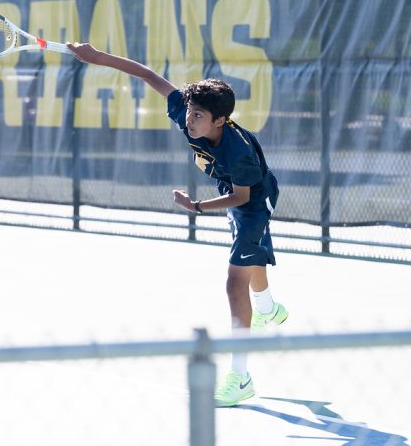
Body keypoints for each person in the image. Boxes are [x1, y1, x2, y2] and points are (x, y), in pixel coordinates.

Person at [66, 42, 287, 407]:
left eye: (198, 116)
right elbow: (149, 75)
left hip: (251, 200)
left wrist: (196, 206)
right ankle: (268, 308)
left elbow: (242, 198)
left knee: (235, 280)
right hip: (231, 189)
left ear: (220, 120)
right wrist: (97, 57)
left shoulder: (238, 152)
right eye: (189, 111)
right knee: (251, 257)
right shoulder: (190, 115)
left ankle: (241, 376)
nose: (189, 119)